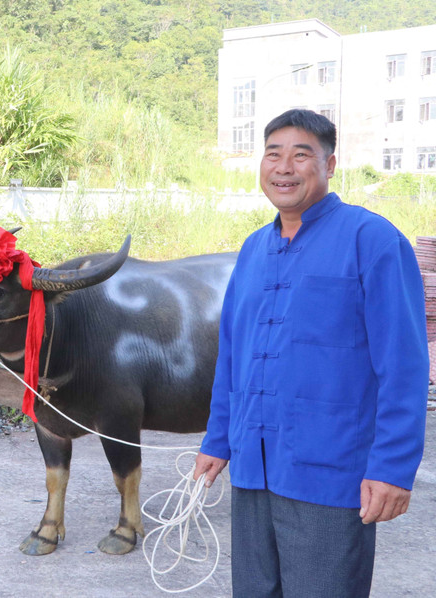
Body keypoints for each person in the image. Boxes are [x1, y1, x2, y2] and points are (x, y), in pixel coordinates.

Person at [193, 109, 428, 597]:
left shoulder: (373, 240)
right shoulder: (254, 249)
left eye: (302, 155)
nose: (284, 167)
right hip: (254, 467)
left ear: (330, 164)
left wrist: (391, 468)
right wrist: (218, 440)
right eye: (273, 154)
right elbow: (233, 357)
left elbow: (403, 364)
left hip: (331, 469)